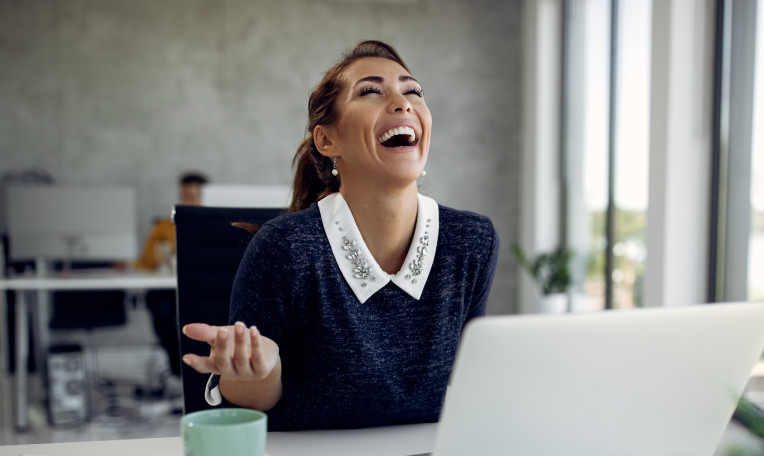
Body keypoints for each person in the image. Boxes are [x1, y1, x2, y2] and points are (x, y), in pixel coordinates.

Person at [181, 41, 499, 430]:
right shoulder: (284, 248)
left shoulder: (472, 240)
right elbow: (251, 407)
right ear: (327, 141)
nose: (403, 104)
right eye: (370, 91)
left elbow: (464, 382)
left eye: (412, 90)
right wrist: (255, 372)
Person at [135, 172, 208, 381]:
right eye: (185, 196)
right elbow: (147, 261)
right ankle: (179, 369)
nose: (189, 201)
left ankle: (196, 370)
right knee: (161, 307)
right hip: (169, 287)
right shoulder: (164, 226)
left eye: (194, 196)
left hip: (201, 287)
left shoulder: (214, 224)